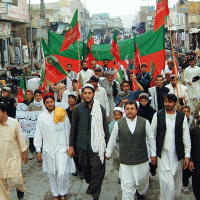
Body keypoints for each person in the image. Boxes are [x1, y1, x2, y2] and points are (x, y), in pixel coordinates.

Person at [105, 100, 157, 200]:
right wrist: (108, 152)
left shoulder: (144, 122)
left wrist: (153, 154)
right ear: (124, 111)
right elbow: (112, 139)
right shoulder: (119, 124)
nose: (130, 111)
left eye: (132, 109)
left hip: (141, 159)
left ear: (136, 110)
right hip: (125, 161)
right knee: (127, 187)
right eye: (127, 109)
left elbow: (151, 139)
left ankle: (140, 192)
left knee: (142, 182)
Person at [68, 83, 110, 200]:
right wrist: (71, 146)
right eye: (85, 93)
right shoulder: (77, 109)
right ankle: (91, 184)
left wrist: (108, 147)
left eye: (89, 93)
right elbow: (73, 129)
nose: (87, 95)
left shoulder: (99, 108)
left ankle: (95, 195)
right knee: (86, 171)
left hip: (97, 146)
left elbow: (105, 129)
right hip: (81, 146)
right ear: (82, 94)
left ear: (93, 94)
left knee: (97, 171)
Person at [34, 93, 75, 200]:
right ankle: (55, 193)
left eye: (51, 101)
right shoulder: (41, 117)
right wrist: (38, 150)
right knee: (51, 172)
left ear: (54, 102)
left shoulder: (62, 114)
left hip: (62, 148)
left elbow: (68, 131)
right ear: (44, 104)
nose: (50, 104)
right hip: (48, 149)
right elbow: (38, 134)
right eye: (47, 102)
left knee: (62, 172)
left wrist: (70, 146)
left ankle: (63, 191)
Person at [151, 94, 191, 200]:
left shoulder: (181, 116)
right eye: (165, 101)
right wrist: (153, 154)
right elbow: (151, 136)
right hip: (162, 153)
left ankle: (171, 196)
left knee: (175, 178)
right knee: (165, 181)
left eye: (170, 102)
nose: (167, 104)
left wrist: (187, 156)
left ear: (175, 102)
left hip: (177, 154)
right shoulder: (158, 115)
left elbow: (186, 138)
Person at [0, 102, 28, 200]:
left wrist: (24, 152)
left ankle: (19, 188)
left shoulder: (14, 123)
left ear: (4, 113)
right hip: (0, 160)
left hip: (13, 158)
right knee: (1, 186)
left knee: (16, 180)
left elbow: (21, 138)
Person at [66, 94, 84, 179]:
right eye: (69, 98)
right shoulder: (65, 111)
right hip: (68, 133)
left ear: (75, 101)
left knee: (78, 153)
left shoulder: (78, 110)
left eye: (72, 98)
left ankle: (81, 170)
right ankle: (75, 168)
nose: (70, 100)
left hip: (77, 133)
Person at [181, 105, 196, 194]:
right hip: (183, 147)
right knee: (185, 166)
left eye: (187, 112)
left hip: (192, 145)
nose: (186, 114)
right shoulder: (179, 120)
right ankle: (184, 184)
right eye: (184, 112)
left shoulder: (192, 121)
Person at [27, 89, 44, 160]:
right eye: (36, 96)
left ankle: (41, 155)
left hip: (42, 127)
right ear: (34, 96)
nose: (38, 97)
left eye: (39, 95)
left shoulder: (44, 104)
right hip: (33, 127)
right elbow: (27, 115)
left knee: (42, 140)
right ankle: (32, 153)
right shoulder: (31, 105)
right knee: (32, 140)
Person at [108, 107, 123, 184]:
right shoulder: (111, 125)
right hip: (115, 146)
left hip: (123, 145)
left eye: (118, 115)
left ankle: (122, 176)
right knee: (117, 162)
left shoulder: (125, 123)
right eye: (115, 115)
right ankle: (120, 174)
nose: (116, 116)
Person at [189, 113, 200, 199]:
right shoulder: (193, 131)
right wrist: (191, 160)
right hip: (196, 161)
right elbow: (189, 146)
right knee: (196, 183)